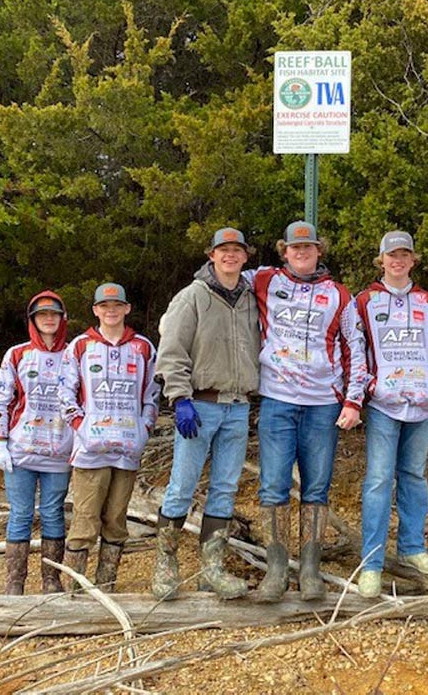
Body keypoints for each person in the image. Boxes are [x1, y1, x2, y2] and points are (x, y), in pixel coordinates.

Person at [244, 220, 368, 602]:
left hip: (322, 402)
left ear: (319, 252)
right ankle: (277, 569)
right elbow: (221, 275)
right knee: (273, 484)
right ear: (284, 251)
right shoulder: (264, 280)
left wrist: (353, 399)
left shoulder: (339, 294)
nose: (302, 253)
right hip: (278, 397)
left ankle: (311, 568)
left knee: (317, 486)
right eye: (295, 248)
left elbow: (355, 344)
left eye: (309, 248)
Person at [151, 227, 260, 601]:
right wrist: (179, 397)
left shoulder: (250, 297)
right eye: (222, 250)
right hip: (200, 406)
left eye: (237, 250)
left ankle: (211, 569)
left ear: (245, 256)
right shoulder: (192, 297)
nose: (230, 255)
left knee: (225, 489)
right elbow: (172, 350)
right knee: (181, 486)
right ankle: (165, 564)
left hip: (238, 406)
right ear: (211, 255)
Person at [354, 231, 428, 598]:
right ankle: (372, 563)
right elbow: (354, 349)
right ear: (381, 260)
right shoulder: (364, 301)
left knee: (413, 475)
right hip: (383, 405)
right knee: (379, 480)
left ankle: (412, 548)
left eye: (404, 255)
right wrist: (370, 387)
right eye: (391, 255)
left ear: (413, 260)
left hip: (421, 406)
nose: (398, 261)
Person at [59, 283, 160, 593]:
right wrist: (82, 428)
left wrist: (145, 429)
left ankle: (107, 587)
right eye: (105, 305)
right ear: (95, 310)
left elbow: (152, 394)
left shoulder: (143, 347)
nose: (111, 310)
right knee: (85, 521)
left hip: (127, 450)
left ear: (127, 309)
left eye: (117, 305)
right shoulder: (80, 346)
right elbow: (65, 393)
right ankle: (72, 592)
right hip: (92, 450)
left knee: (116, 522)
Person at [0, 291, 73, 595]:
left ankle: (51, 580)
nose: (48, 319)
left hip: (60, 451)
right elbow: (2, 399)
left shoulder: (75, 353)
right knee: (21, 514)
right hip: (21, 450)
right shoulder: (17, 354)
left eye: (54, 314)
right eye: (42, 315)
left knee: (52, 513)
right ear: (33, 320)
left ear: (62, 318)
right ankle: (15, 582)